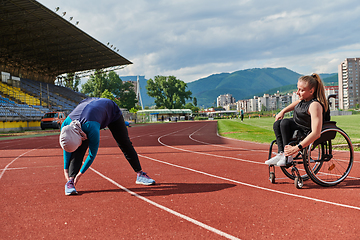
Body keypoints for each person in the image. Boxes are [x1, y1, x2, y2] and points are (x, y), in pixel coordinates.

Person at [59, 97, 155, 196]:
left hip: (111, 110)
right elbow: (67, 147)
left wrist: (80, 174)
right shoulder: (65, 126)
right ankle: (70, 182)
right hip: (88, 106)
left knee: (124, 142)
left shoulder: (92, 129)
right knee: (79, 150)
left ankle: (140, 174)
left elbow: (91, 155)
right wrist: (65, 169)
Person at [265, 73, 329, 166]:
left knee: (285, 123)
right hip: (299, 124)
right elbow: (296, 103)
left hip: (306, 130)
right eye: (297, 89)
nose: (297, 92)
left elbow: (316, 133)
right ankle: (282, 153)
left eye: (301, 90)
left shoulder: (315, 105)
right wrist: (283, 111)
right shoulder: (304, 99)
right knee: (277, 124)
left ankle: (288, 156)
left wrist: (296, 148)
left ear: (311, 91)